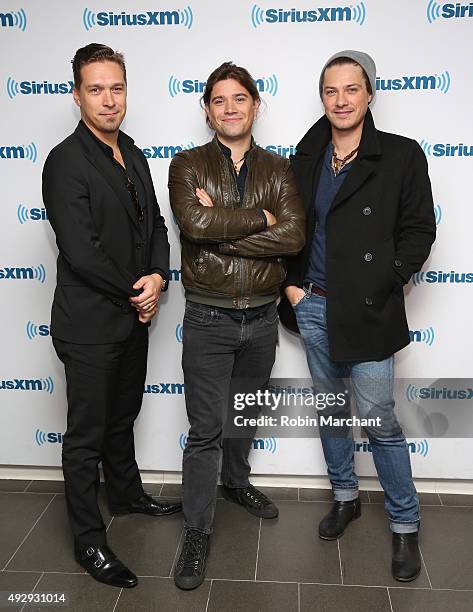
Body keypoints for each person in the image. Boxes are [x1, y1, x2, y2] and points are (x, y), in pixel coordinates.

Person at [279, 50, 436, 582]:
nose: (341, 100)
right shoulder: (306, 156)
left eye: (351, 89)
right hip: (315, 304)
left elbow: (419, 230)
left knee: (379, 420)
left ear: (370, 95)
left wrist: (385, 281)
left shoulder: (400, 155)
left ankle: (405, 523)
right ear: (321, 99)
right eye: (331, 90)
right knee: (330, 410)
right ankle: (345, 495)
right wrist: (293, 287)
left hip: (368, 309)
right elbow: (288, 227)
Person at [42, 43, 181, 589]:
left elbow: (157, 229)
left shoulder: (135, 154)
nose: (108, 99)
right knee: (86, 434)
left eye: (116, 88)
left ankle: (125, 494)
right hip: (90, 324)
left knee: (122, 416)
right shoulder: (65, 161)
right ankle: (89, 540)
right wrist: (136, 290)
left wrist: (158, 277)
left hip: (131, 317)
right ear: (78, 95)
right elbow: (81, 250)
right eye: (96, 89)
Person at [168, 62, 305, 590]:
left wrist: (222, 227)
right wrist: (262, 220)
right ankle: (198, 530)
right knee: (205, 431)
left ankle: (237, 483)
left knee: (241, 417)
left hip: (263, 317)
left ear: (255, 105)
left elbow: (293, 238)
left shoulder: (279, 168)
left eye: (239, 99)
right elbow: (194, 223)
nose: (230, 108)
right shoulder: (187, 165)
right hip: (208, 316)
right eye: (219, 100)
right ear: (207, 110)